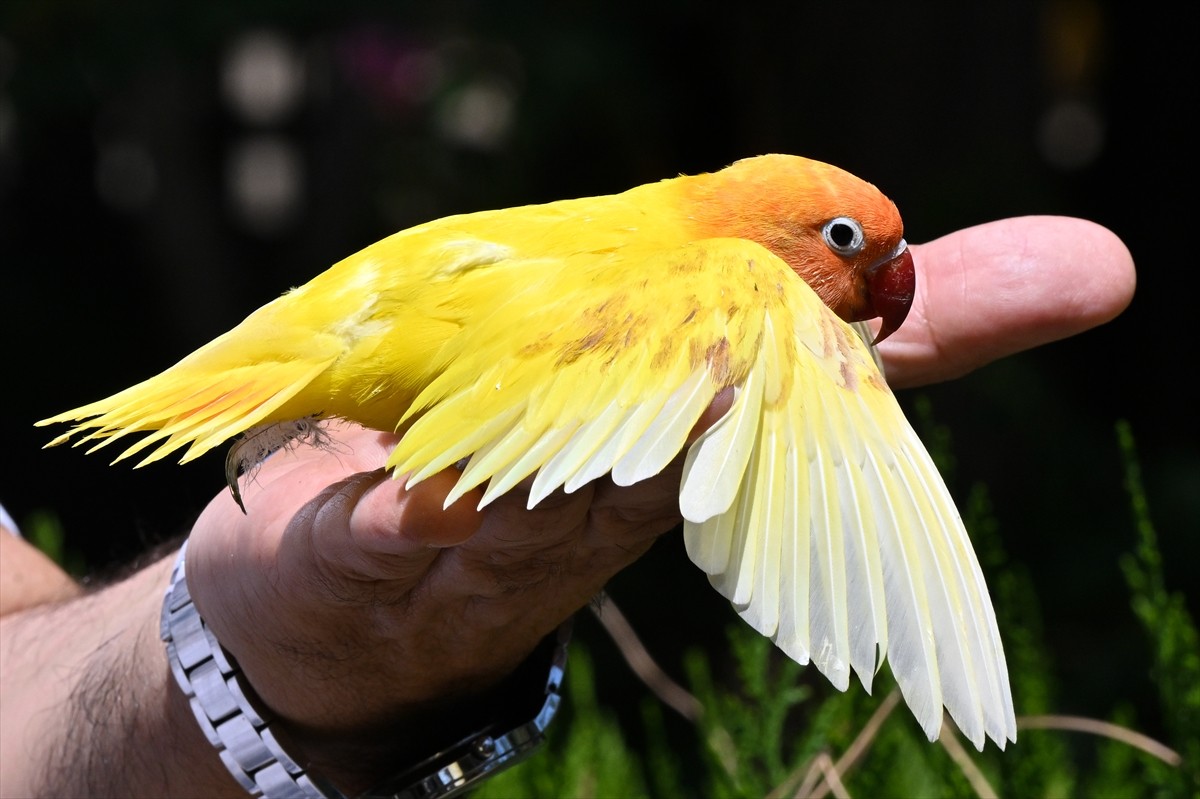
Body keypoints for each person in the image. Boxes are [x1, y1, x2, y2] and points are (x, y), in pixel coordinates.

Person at [0, 216, 1136, 798]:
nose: (880, 275)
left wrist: (256, 640)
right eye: (849, 244)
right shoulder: (735, 280)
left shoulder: (660, 246)